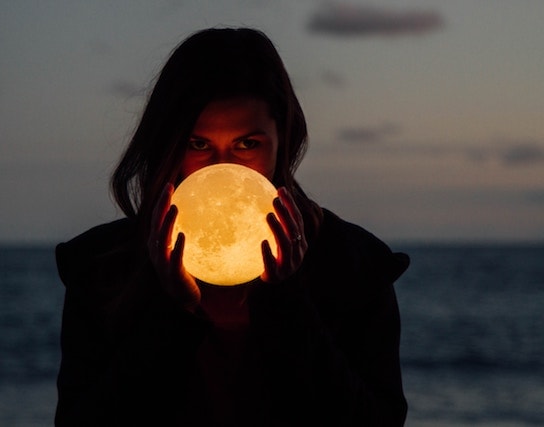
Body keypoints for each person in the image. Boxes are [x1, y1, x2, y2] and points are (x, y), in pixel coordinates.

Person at [54, 27, 409, 426]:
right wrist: (172, 312)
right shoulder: (101, 268)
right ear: (168, 145)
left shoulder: (353, 266)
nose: (223, 171)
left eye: (248, 145)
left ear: (283, 142)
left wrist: (287, 301)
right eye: (199, 144)